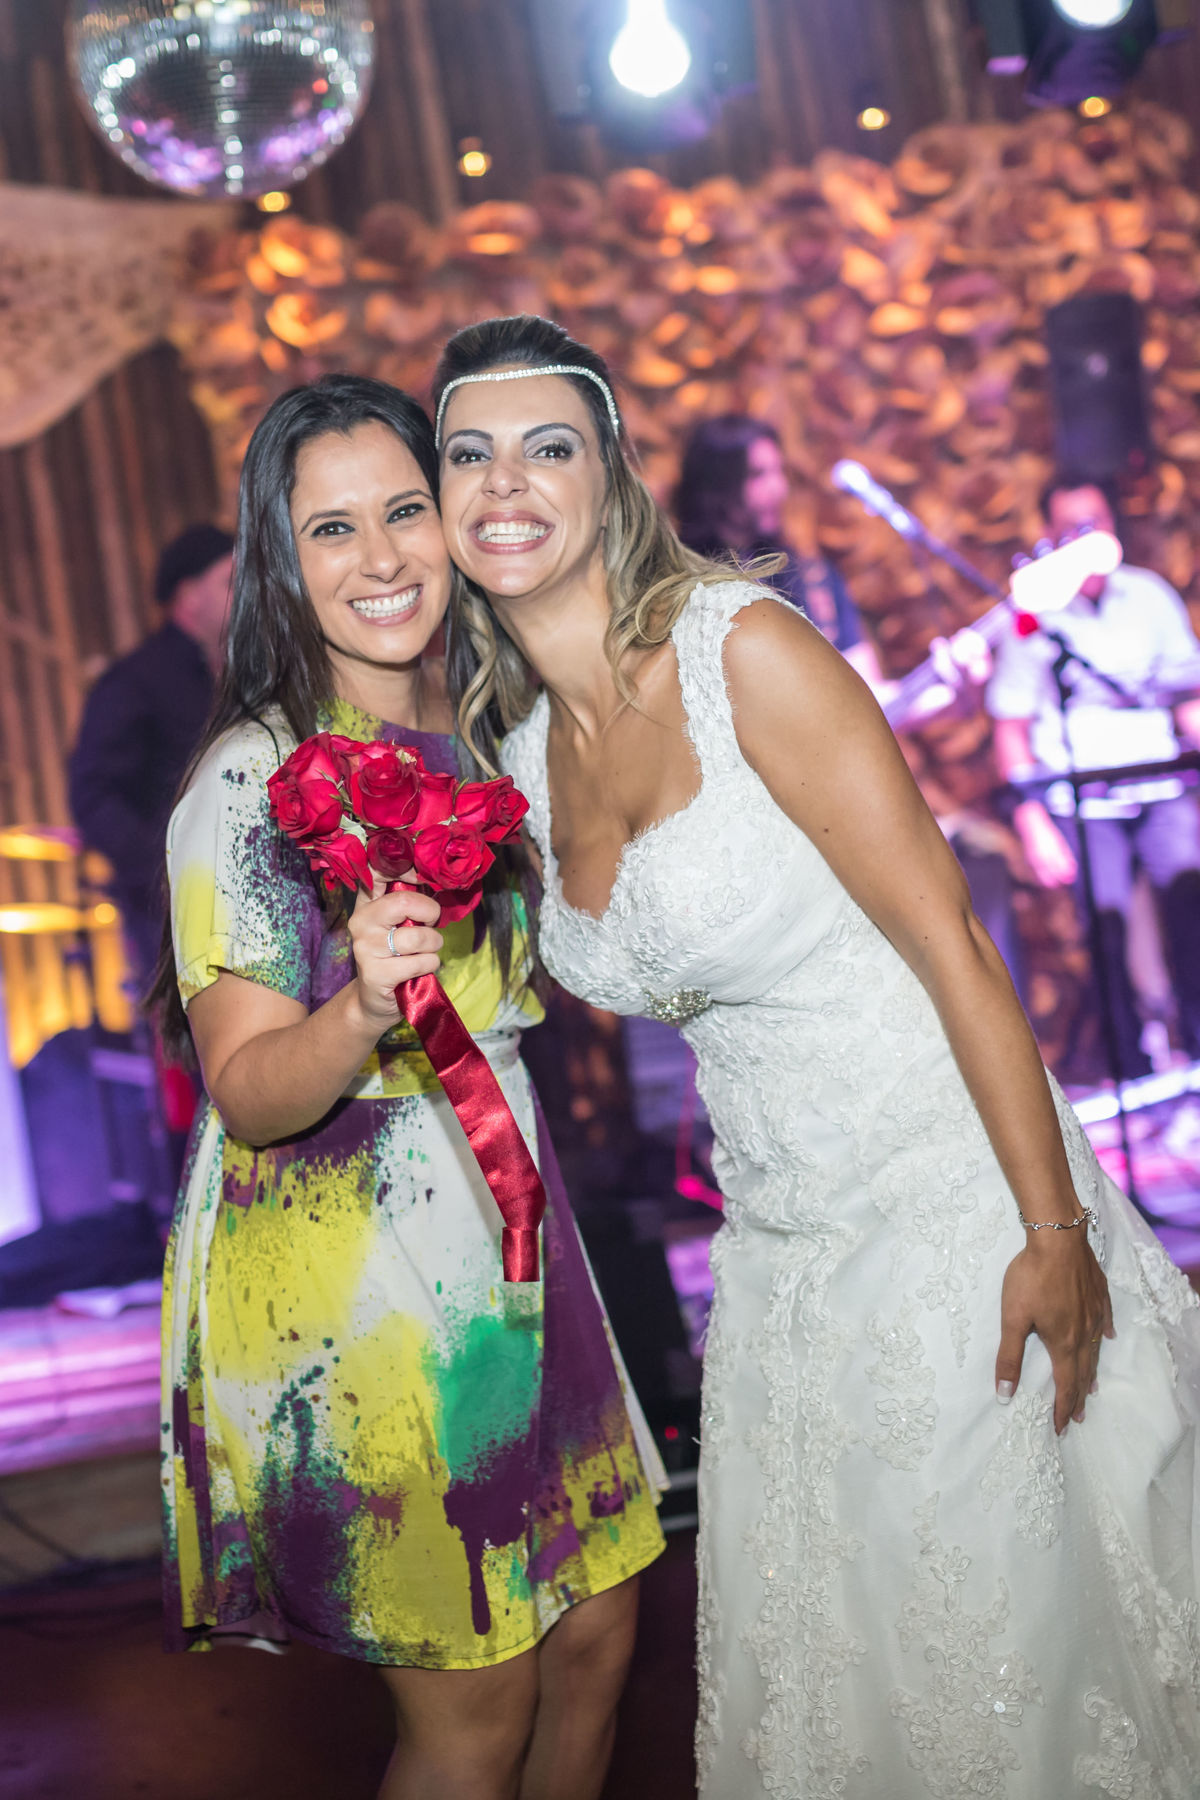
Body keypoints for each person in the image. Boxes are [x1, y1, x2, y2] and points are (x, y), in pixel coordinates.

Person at [434, 315, 1200, 1799]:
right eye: (469, 452)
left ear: (612, 478)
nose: (506, 482)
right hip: (779, 1264)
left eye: (548, 446)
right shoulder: (517, 765)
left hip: (958, 1200)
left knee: (1016, 1651)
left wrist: (1051, 1228)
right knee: (863, 1673)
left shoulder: (745, 653)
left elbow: (956, 947)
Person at [148, 374, 665, 1800]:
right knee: (475, 1706)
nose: (380, 560)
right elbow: (250, 1091)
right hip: (355, 1268)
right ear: (280, 561)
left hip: (511, 1239)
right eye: (331, 530)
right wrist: (364, 1005)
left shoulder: (485, 736)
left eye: (404, 511)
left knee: (602, 1632)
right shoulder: (252, 783)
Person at [675, 411, 1029, 1004]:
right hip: (745, 829)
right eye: (757, 474)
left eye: (777, 471)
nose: (776, 488)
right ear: (717, 484)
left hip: (838, 813)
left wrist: (953, 690)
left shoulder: (810, 577)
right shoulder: (681, 586)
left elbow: (874, 706)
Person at [989, 473, 1200, 1076]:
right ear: (1053, 538)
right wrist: (1033, 823)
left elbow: (1187, 697)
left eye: (1098, 524)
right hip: (1083, 802)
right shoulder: (1034, 613)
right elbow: (1012, 726)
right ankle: (1135, 1076)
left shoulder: (1150, 595)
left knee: (1190, 906)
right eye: (1074, 529)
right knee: (1106, 934)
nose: (1091, 539)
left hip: (1161, 786)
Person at [69, 523, 235, 989]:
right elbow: (93, 795)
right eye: (230, 581)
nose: (244, 595)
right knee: (191, 1044)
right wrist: (165, 867)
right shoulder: (134, 682)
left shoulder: (229, 668)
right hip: (169, 915)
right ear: (187, 596)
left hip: (239, 898)